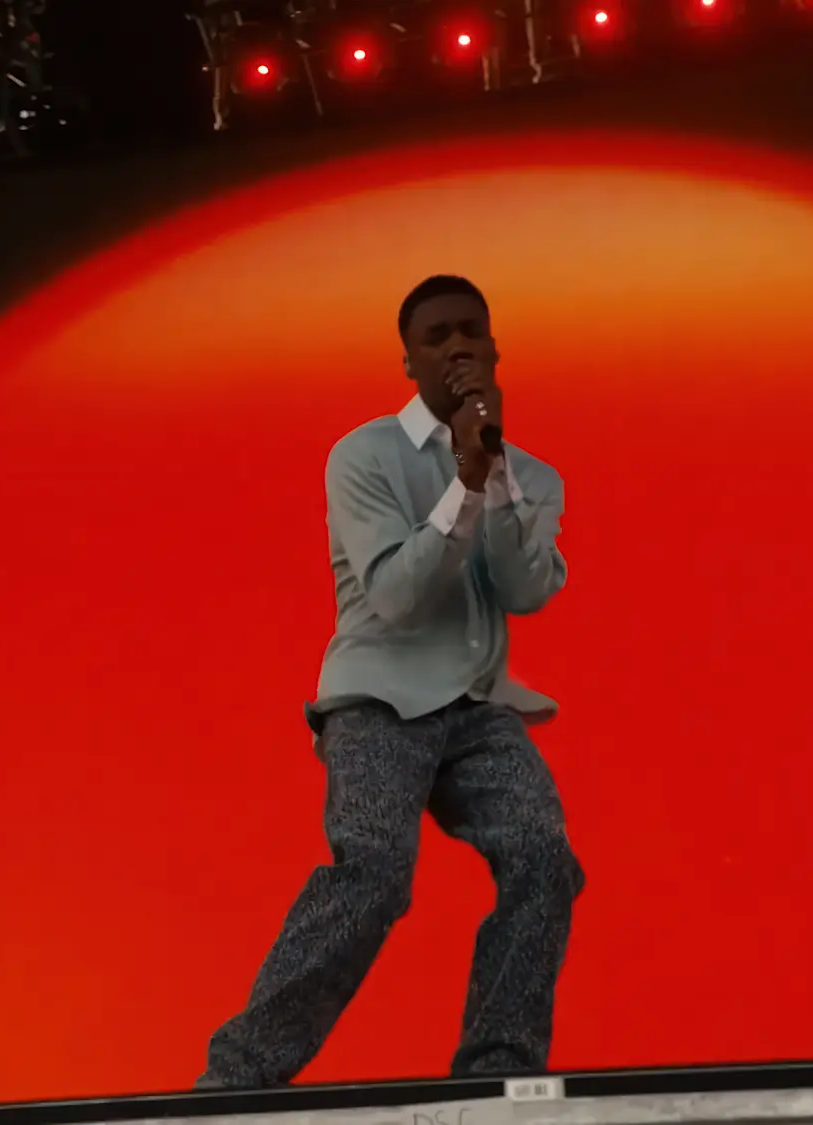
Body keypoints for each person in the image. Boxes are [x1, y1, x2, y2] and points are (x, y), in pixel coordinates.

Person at [199, 275, 584, 1089]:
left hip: (476, 708)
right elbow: (397, 595)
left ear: (495, 349)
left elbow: (524, 589)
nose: (457, 347)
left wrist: (495, 475)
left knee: (544, 858)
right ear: (408, 362)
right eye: (436, 336)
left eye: (470, 331)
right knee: (373, 869)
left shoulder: (531, 475)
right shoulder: (364, 455)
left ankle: (499, 1069)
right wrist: (463, 486)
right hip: (379, 699)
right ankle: (239, 1076)